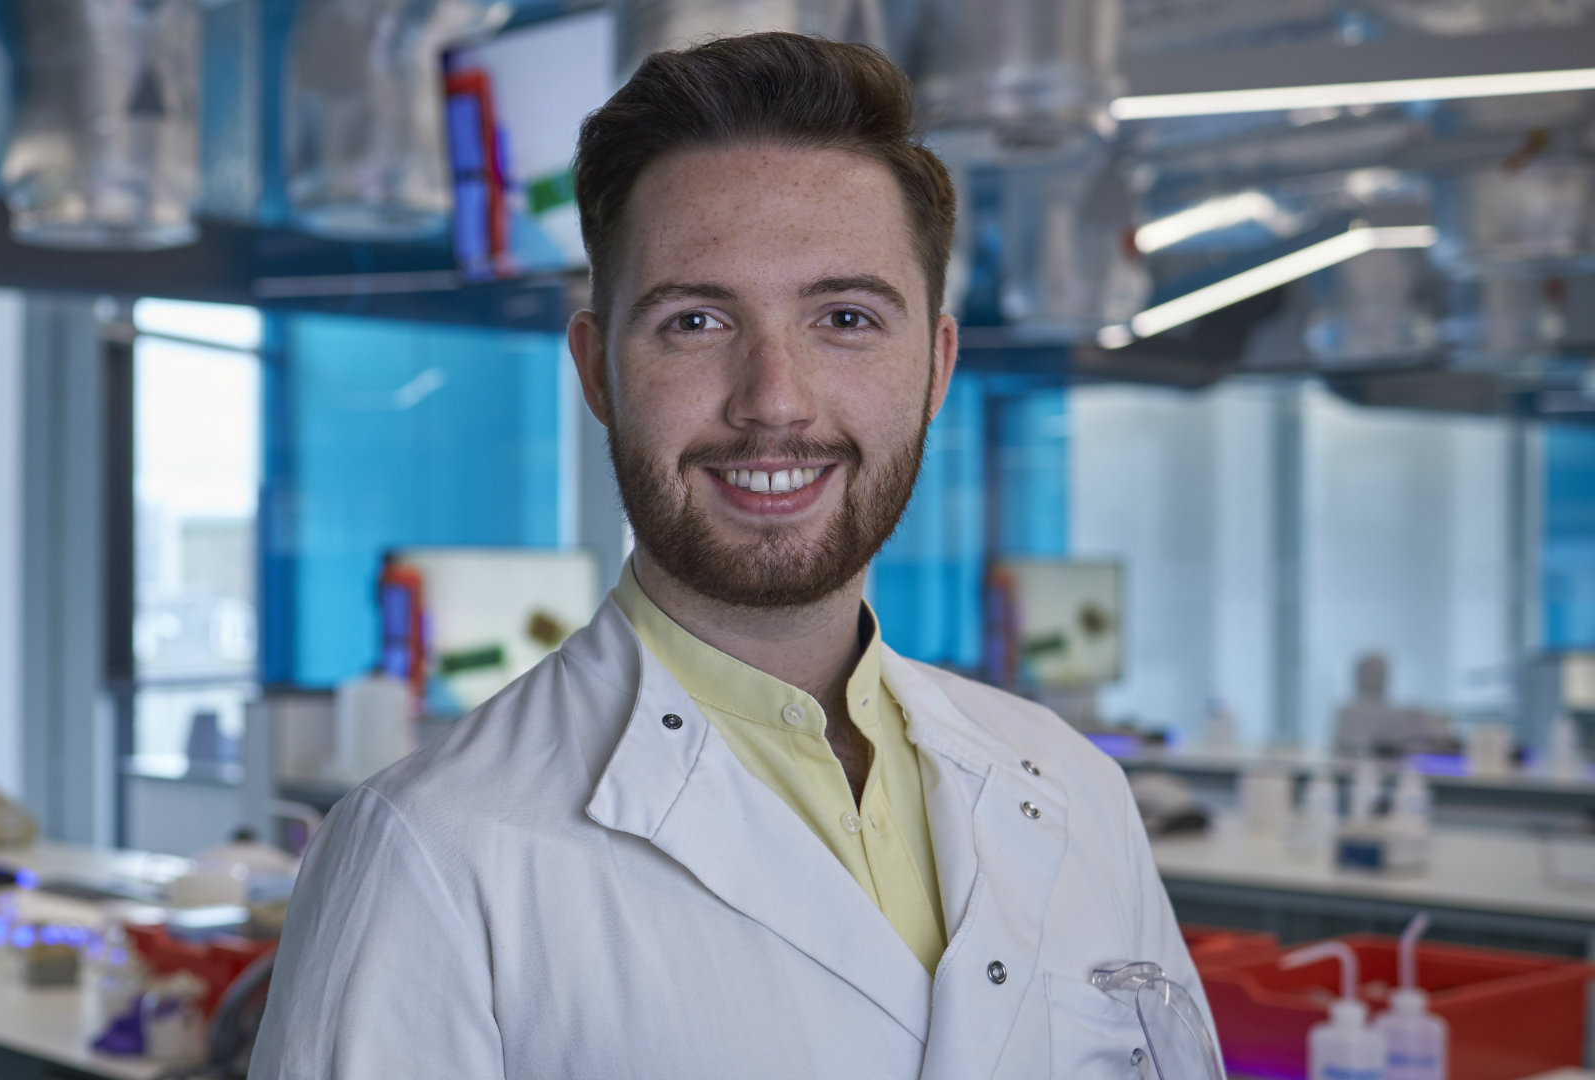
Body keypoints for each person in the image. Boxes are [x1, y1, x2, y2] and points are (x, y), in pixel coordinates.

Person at [250, 33, 1215, 1078]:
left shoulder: (1072, 790)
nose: (774, 400)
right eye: (696, 321)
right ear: (598, 373)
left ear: (934, 368)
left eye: (845, 318)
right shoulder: (427, 851)